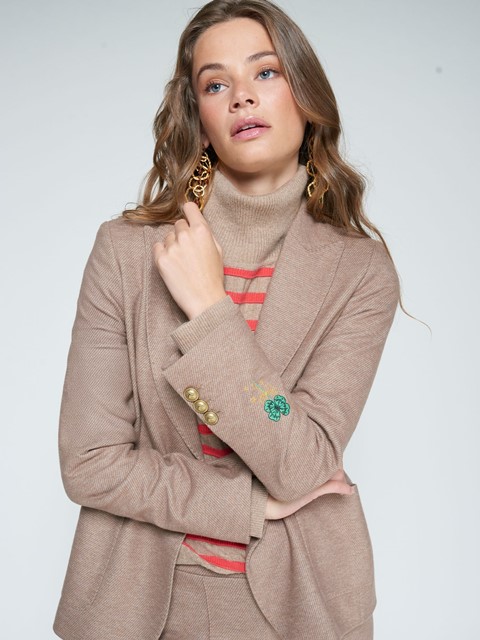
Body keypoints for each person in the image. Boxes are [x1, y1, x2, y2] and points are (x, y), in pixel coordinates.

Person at [53, 1, 403, 639]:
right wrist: (245, 504)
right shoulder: (125, 252)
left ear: (306, 95)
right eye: (216, 84)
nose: (242, 96)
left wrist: (211, 310)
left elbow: (301, 460)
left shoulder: (360, 271)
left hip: (296, 606)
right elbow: (90, 462)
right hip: (137, 601)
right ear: (199, 116)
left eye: (266, 72)